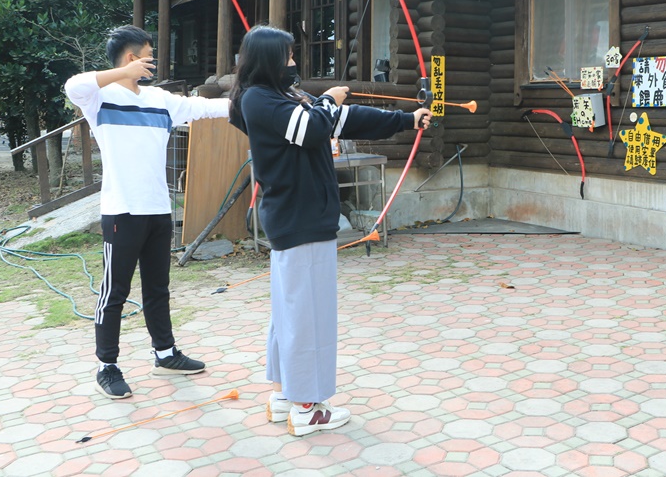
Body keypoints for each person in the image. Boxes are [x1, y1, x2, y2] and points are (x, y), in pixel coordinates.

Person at [228, 26, 429, 437]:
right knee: (308, 313)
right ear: (267, 60)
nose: (293, 63)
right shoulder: (259, 99)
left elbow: (343, 119)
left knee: (293, 310)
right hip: (298, 218)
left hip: (300, 218)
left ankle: (288, 393)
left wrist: (406, 119)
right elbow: (314, 127)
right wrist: (326, 99)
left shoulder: (283, 99)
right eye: (286, 57)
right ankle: (307, 408)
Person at [65, 25, 231, 399]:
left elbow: (205, 108)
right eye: (148, 56)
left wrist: (260, 101)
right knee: (114, 292)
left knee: (158, 288)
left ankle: (166, 353)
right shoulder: (98, 97)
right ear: (131, 58)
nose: (152, 63)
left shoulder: (159, 99)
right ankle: (107, 366)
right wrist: (124, 74)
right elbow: (73, 84)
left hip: (158, 210)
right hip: (122, 211)